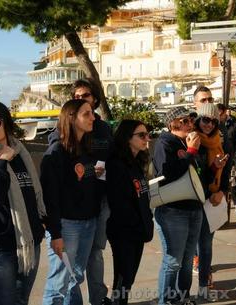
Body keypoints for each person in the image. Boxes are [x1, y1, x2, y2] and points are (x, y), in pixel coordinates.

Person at [0, 101, 50, 305]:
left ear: (5, 122)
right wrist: (2, 162)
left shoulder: (20, 152)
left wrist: (42, 222)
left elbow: (32, 193)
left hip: (28, 241)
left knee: (21, 300)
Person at [44, 79, 113, 305]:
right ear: (72, 118)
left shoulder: (88, 147)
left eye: (91, 111)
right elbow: (49, 197)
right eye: (86, 114)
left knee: (76, 275)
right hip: (67, 224)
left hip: (89, 220)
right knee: (58, 284)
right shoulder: (56, 152)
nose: (93, 116)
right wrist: (55, 233)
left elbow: (97, 178)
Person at [153, 107, 214, 305]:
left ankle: (182, 298)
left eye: (191, 120)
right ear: (173, 124)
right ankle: (166, 301)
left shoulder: (186, 142)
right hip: (173, 211)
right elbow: (167, 174)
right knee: (173, 261)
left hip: (193, 208)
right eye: (186, 120)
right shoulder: (165, 144)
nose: (191, 124)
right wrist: (190, 152)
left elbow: (196, 175)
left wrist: (214, 167)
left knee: (187, 261)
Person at [106, 119, 154, 305]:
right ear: (127, 137)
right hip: (124, 232)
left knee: (128, 279)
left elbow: (141, 196)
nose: (146, 138)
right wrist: (136, 225)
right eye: (141, 135)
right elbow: (119, 203)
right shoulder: (116, 165)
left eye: (147, 134)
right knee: (122, 280)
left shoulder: (136, 161)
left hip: (138, 230)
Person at [194, 103, 228, 301]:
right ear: (199, 119)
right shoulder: (193, 140)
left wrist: (222, 191)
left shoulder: (219, 141)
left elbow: (227, 166)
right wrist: (214, 169)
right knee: (192, 247)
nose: (209, 124)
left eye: (213, 121)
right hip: (195, 200)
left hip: (213, 201)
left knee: (206, 245)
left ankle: (203, 286)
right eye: (205, 120)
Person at [216, 104, 236, 208]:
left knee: (232, 179)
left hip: (230, 157)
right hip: (218, 158)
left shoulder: (233, 123)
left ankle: (235, 202)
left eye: (220, 112)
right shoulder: (214, 124)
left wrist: (234, 156)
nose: (219, 115)